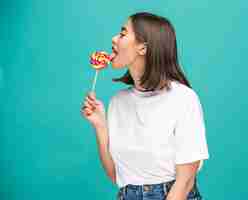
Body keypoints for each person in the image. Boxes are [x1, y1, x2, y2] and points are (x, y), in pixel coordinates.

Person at [81, 12, 209, 200]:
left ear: (143, 47)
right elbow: (118, 177)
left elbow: (185, 181)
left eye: (123, 33)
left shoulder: (183, 98)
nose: (114, 38)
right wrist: (100, 126)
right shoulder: (117, 101)